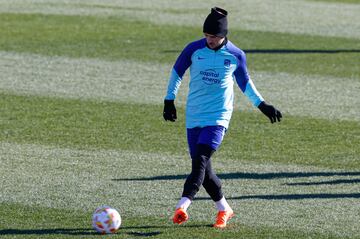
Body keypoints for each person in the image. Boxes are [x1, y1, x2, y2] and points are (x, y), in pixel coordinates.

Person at [163, 7, 282, 228]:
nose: (209, 40)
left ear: (223, 35)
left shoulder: (236, 55)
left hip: (218, 117)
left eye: (214, 37)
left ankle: (182, 207)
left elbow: (245, 83)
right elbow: (176, 72)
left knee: (199, 162)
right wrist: (169, 100)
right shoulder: (193, 49)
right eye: (207, 36)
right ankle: (224, 209)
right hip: (194, 115)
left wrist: (262, 105)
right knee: (205, 171)